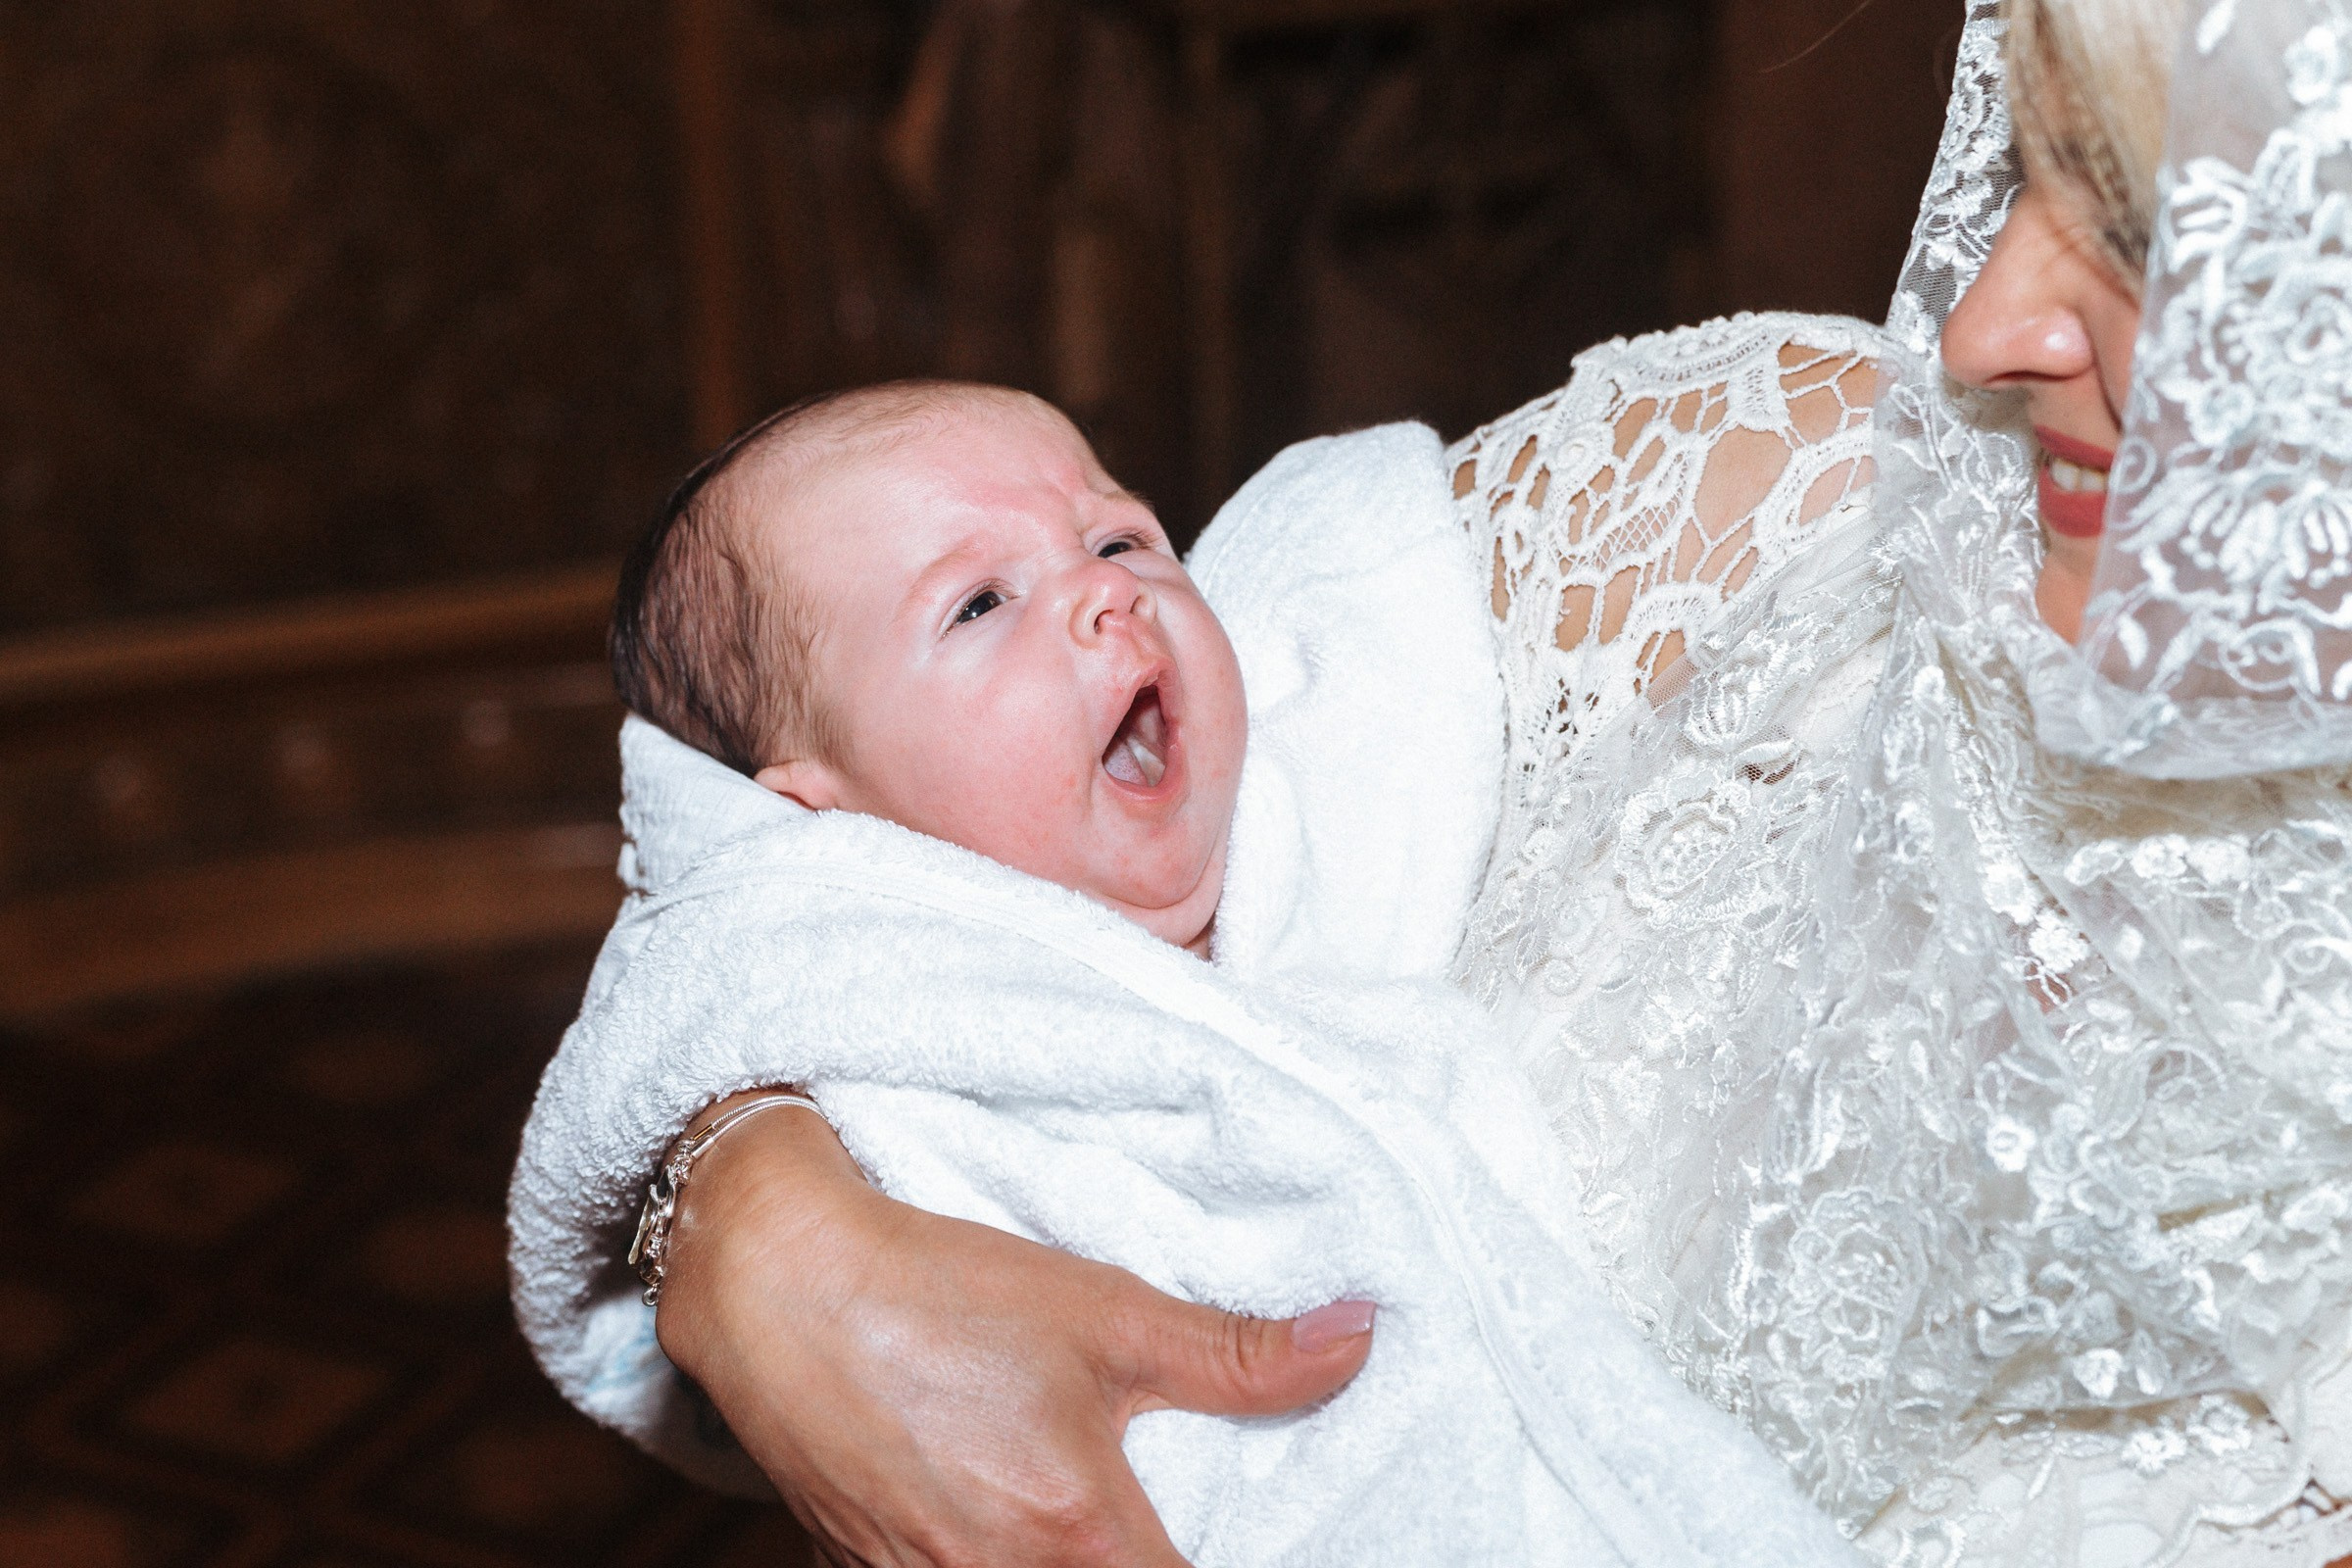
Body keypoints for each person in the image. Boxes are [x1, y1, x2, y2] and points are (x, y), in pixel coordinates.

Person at [511, 0, 2352, 1560]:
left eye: (2136, 220)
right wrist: (764, 1235)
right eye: (2027, 166)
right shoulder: (1745, 514)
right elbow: (752, 928)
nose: (1980, 329)